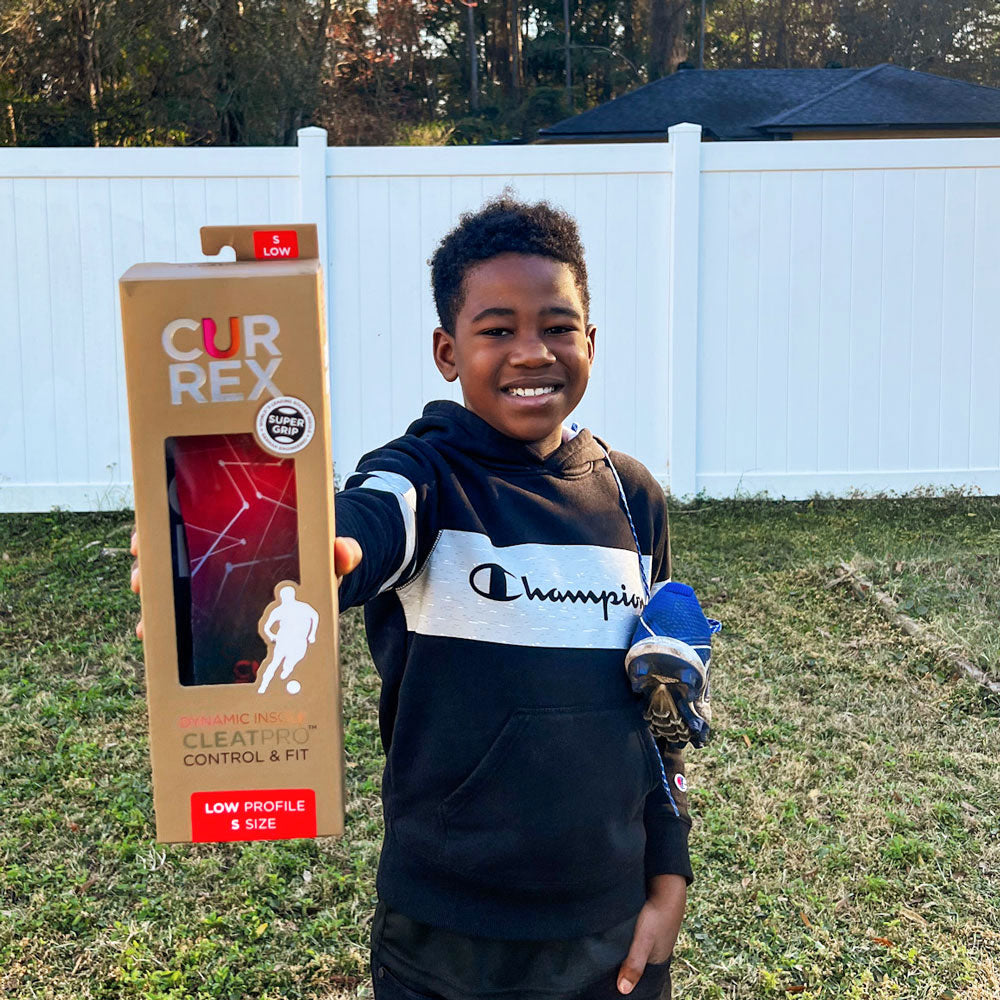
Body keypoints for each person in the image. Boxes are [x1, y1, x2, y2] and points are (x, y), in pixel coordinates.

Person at [132, 195, 692, 999]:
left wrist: (669, 871)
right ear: (447, 351)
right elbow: (367, 527)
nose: (532, 352)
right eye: (497, 330)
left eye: (557, 326)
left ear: (591, 342)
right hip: (445, 936)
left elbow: (662, 703)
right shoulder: (421, 475)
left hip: (608, 931)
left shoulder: (633, 498)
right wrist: (313, 556)